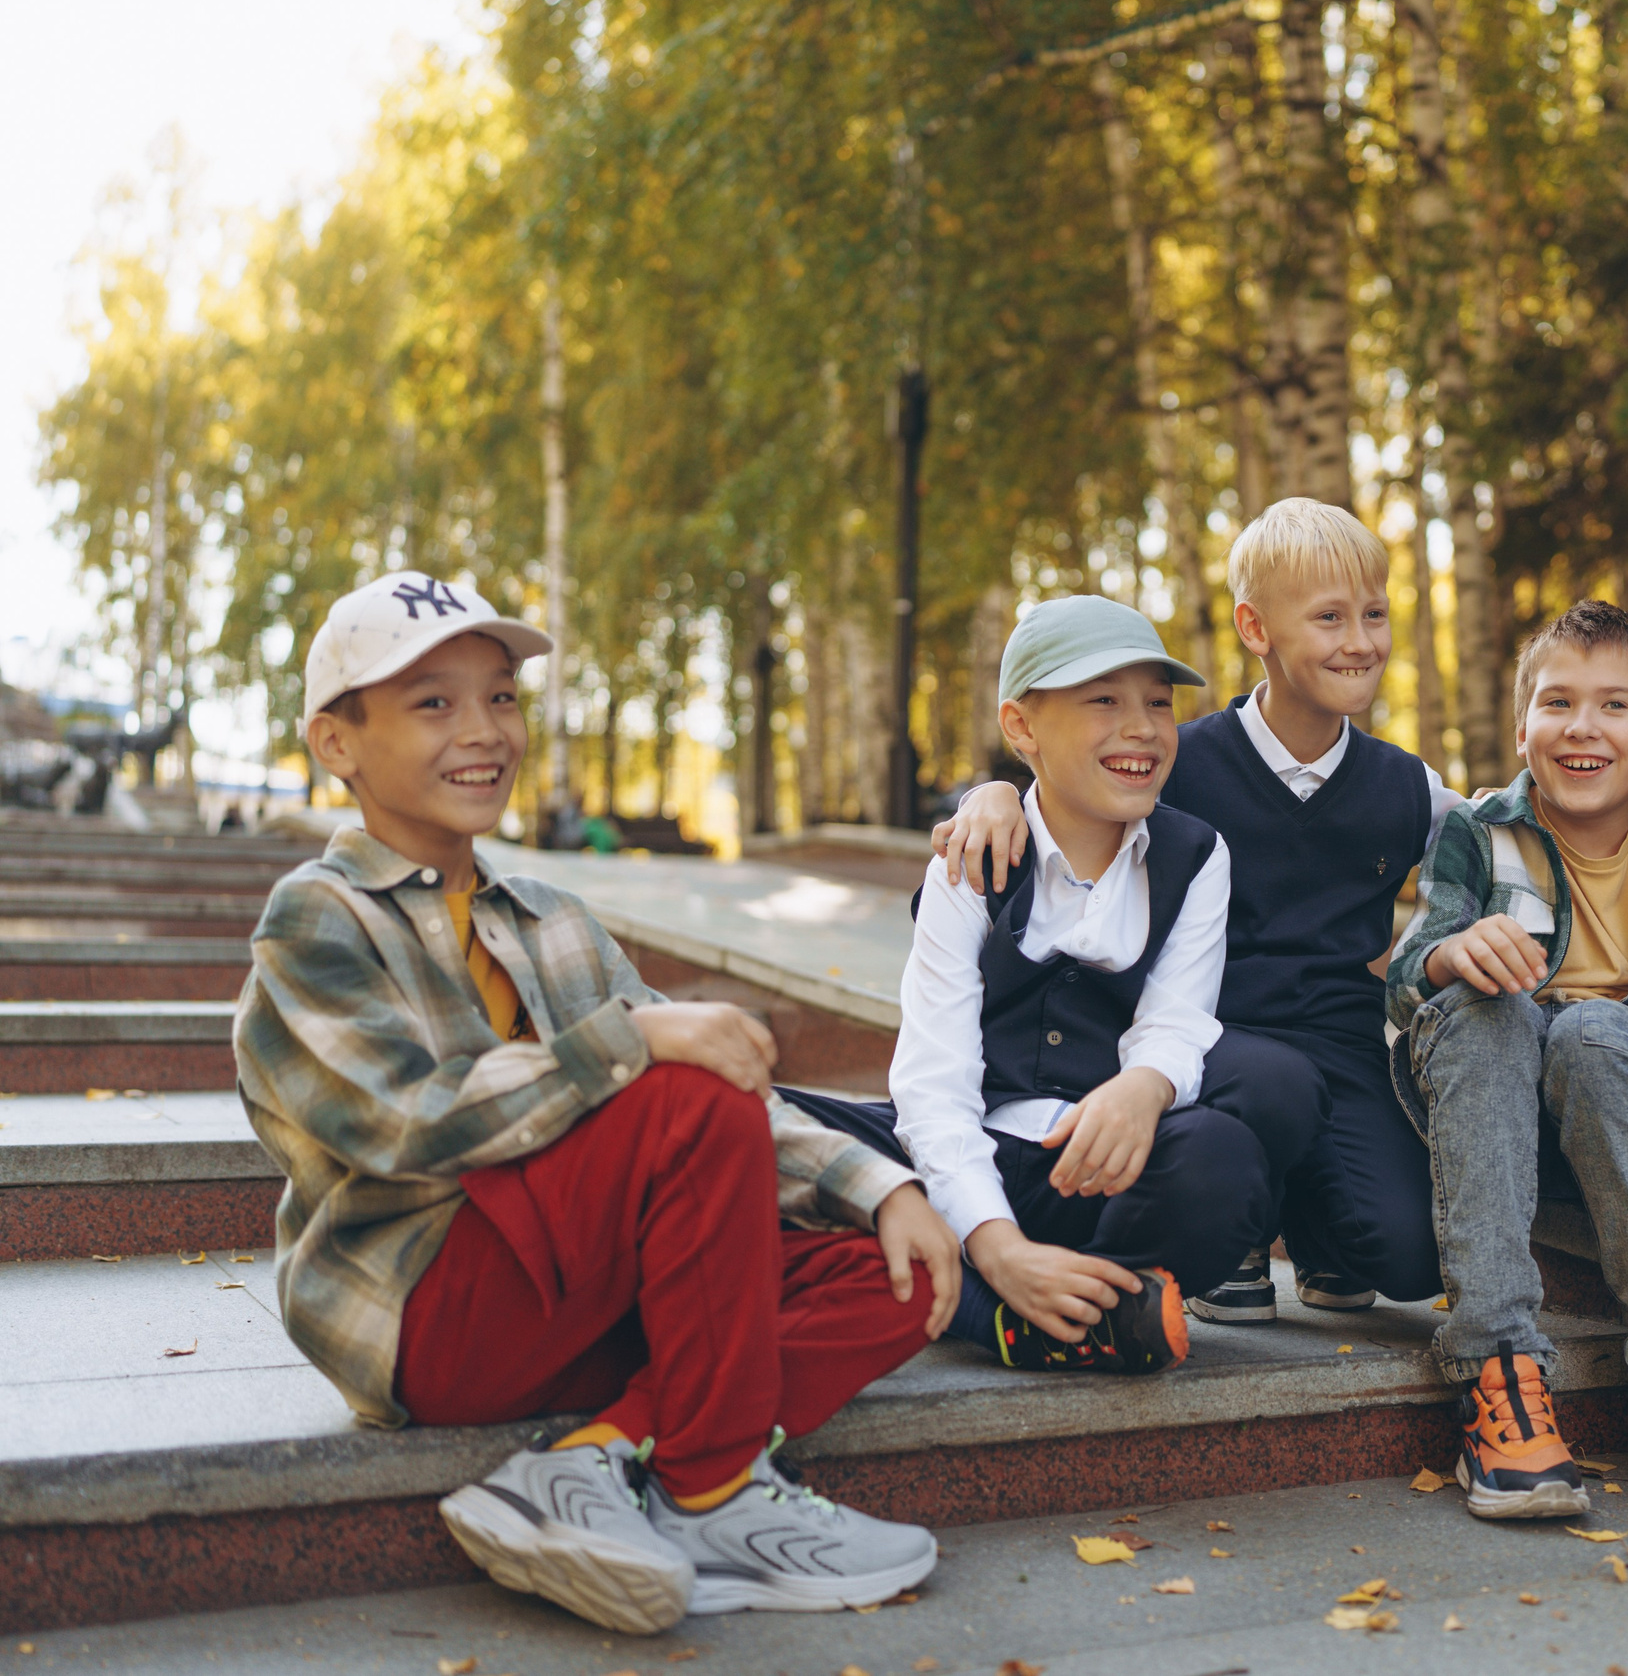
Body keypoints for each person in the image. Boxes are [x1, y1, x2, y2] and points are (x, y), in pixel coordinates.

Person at [235, 572, 960, 1636]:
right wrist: (625, 1044)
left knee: (889, 1274)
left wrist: (880, 1185)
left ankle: (589, 1463)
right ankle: (713, 1490)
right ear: (337, 743)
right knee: (678, 1095)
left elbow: (724, 1084)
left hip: (573, 1299)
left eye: (502, 697)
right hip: (428, 1310)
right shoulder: (317, 919)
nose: (483, 731)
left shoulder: (550, 919)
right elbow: (402, 1123)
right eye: (433, 703)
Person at [930, 499, 1455, 1325]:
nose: (1360, 640)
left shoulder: (1408, 786)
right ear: (1257, 628)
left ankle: (1321, 1224)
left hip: (1338, 1044)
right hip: (1210, 1037)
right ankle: (1240, 1226)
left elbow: (1502, 842)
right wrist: (991, 791)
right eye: (1329, 617)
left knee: (1412, 1254)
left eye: (1376, 615)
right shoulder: (1176, 761)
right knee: (1266, 1088)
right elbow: (1070, 791)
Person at [794, 595, 1315, 1374]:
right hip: (975, 1150)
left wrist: (1142, 1087)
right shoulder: (972, 861)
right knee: (762, 1120)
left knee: (1224, 1162)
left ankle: (1033, 1291)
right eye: (1103, 699)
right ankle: (1020, 1307)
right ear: (1022, 728)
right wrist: (997, 1244)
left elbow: (1176, 1021)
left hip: (1095, 1170)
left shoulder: (1196, 856)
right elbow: (933, 1089)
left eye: (1158, 704)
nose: (1141, 726)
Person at [1385, 599, 1628, 1520]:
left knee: (1594, 1034)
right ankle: (1501, 1376)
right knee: (1490, 1010)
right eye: (1556, 703)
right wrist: (1454, 951)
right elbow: (1406, 974)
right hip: (1495, 1108)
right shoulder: (1480, 829)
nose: (1582, 728)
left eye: (1614, 706)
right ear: (1523, 727)